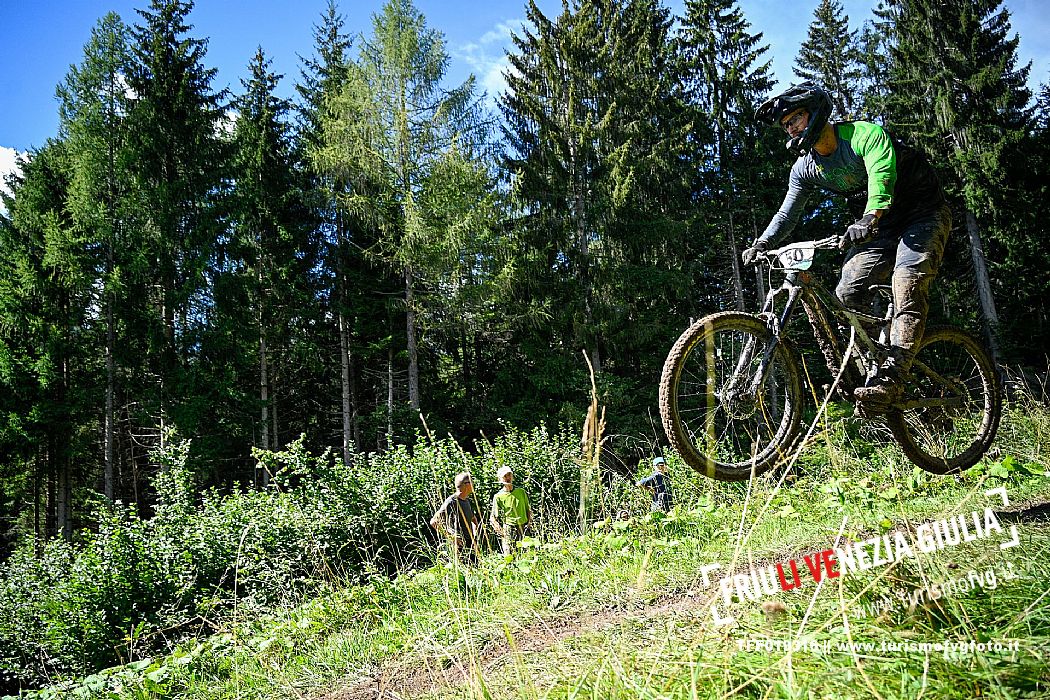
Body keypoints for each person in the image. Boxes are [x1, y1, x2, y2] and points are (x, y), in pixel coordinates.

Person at [744, 82, 950, 406]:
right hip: (880, 228)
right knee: (846, 294)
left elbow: (881, 176)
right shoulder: (805, 169)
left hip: (922, 214)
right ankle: (871, 368)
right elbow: (788, 212)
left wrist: (869, 218)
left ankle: (892, 380)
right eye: (786, 125)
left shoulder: (864, 135)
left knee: (906, 283)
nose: (791, 128)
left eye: (795, 118)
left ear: (815, 114)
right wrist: (762, 242)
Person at [430, 472, 480, 564]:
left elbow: (473, 518)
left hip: (470, 544)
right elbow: (434, 522)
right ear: (466, 484)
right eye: (471, 482)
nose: (473, 484)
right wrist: (451, 537)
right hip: (459, 546)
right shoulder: (451, 502)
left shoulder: (466, 500)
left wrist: (475, 534)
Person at [489, 465, 532, 556]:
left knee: (527, 553)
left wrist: (529, 523)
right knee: (510, 554)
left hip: (523, 526)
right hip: (509, 528)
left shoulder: (521, 492)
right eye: (505, 476)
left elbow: (528, 509)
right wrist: (501, 531)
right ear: (500, 479)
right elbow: (492, 518)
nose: (508, 478)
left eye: (509, 475)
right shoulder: (498, 496)